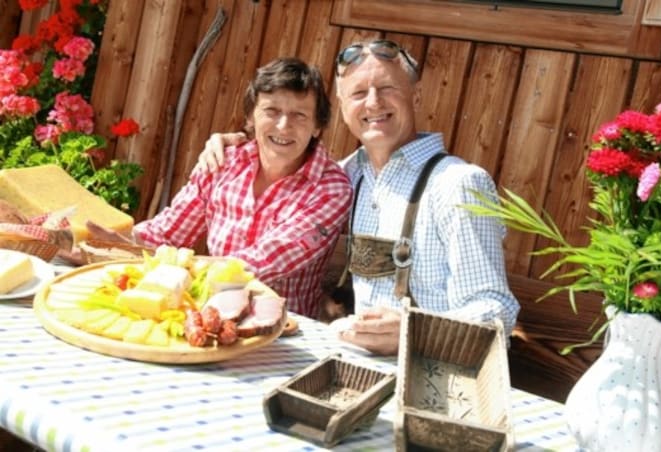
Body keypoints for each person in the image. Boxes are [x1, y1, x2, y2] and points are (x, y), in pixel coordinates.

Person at [199, 40, 519, 355]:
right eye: (358, 93)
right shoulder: (347, 176)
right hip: (352, 367)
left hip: (431, 382)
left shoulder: (458, 184)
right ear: (343, 107)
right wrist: (239, 145)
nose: (373, 103)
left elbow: (496, 315)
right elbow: (286, 156)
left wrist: (412, 331)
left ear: (416, 97)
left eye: (387, 88)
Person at [90, 57, 353, 319]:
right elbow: (167, 232)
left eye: (300, 115)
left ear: (318, 126)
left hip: (282, 332)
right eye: (271, 111)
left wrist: (182, 268)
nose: (284, 126)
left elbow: (265, 260)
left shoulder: (331, 187)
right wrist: (125, 243)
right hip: (206, 315)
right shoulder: (225, 161)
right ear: (251, 116)